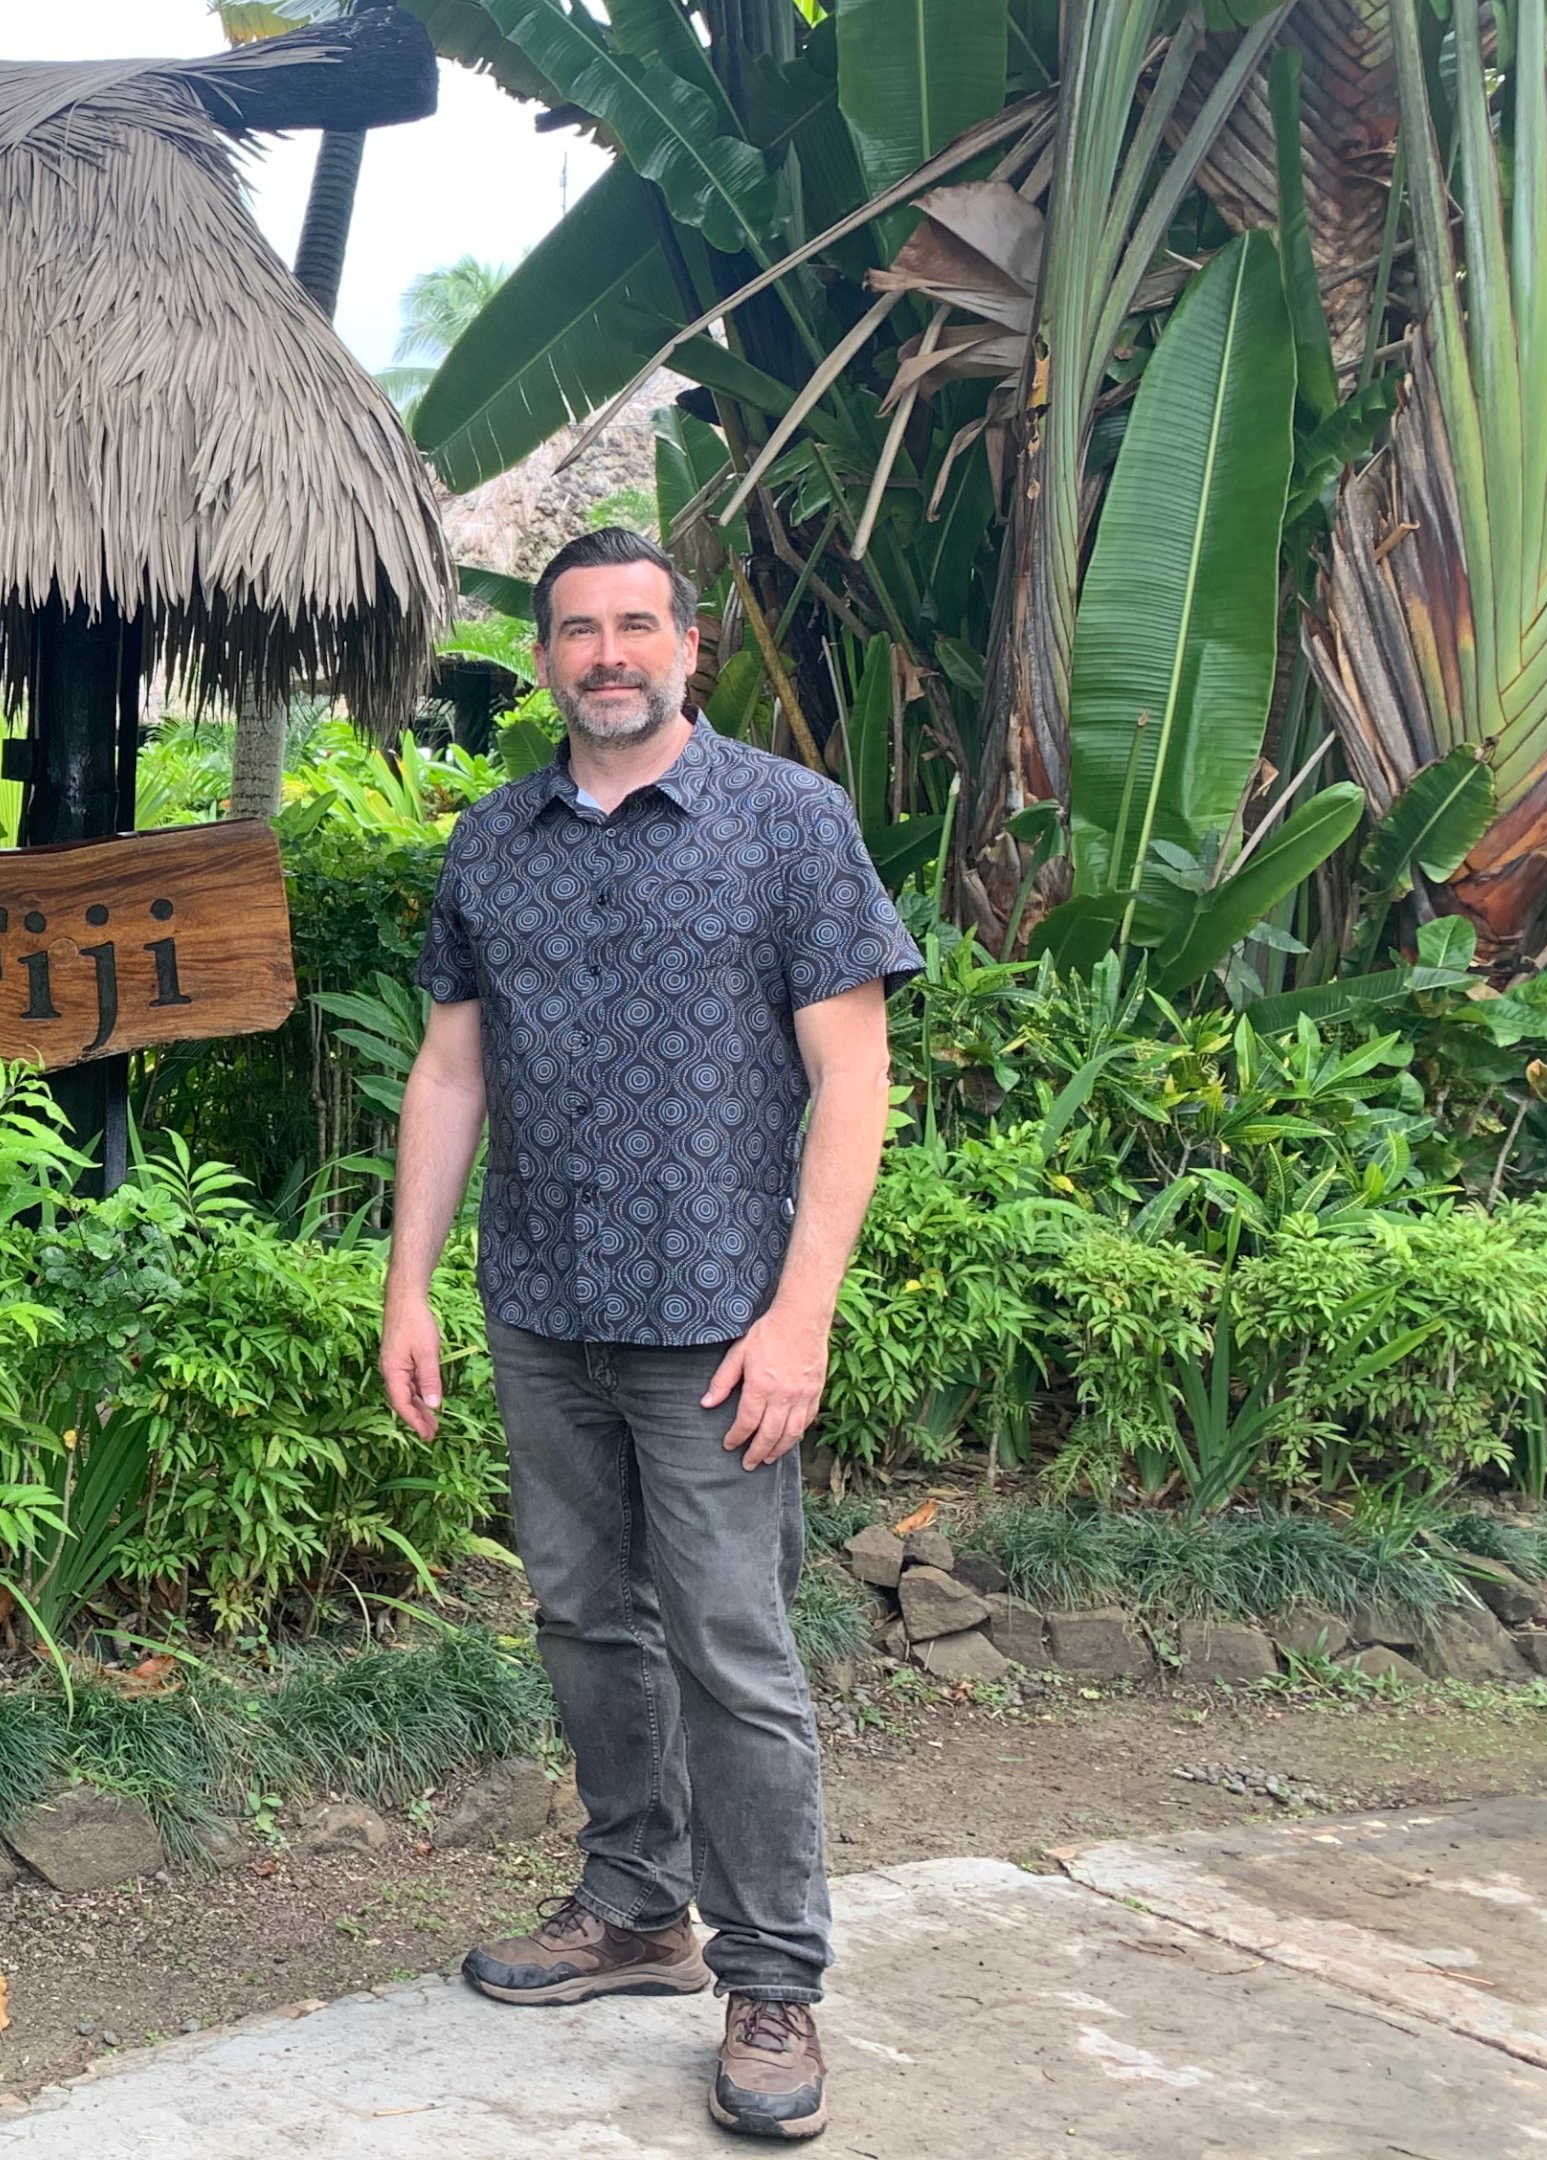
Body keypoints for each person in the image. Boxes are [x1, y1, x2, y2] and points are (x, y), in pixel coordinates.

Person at [377, 527, 916, 2143]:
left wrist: (803, 1314)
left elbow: (854, 1082)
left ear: (690, 645)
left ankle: (773, 1979)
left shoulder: (789, 827)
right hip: (542, 1312)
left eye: (634, 626)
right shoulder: (495, 840)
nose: (606, 654)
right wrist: (407, 1286)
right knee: (584, 1620)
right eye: (575, 632)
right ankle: (635, 1912)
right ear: (543, 657)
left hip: (718, 1330)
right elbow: (449, 1072)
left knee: (734, 1652)